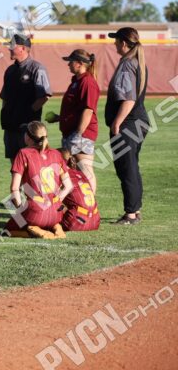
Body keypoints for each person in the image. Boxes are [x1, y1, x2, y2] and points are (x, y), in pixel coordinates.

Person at [105, 27, 149, 225]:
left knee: (126, 168)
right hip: (139, 120)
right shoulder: (138, 62)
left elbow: (128, 99)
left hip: (128, 122)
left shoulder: (127, 65)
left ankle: (130, 214)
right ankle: (135, 209)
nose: (114, 44)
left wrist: (117, 122)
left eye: (116, 41)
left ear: (124, 43)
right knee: (132, 166)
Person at [46, 49, 100, 193]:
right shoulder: (78, 81)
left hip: (82, 133)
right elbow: (76, 109)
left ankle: (90, 207)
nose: (68, 64)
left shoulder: (87, 82)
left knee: (86, 170)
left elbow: (88, 110)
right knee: (73, 171)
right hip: (73, 132)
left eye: (71, 61)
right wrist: (60, 118)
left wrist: (78, 134)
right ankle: (78, 205)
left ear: (80, 63)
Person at [7, 121, 72, 239]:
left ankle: (34, 229)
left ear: (28, 137)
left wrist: (20, 211)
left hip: (36, 211)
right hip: (56, 213)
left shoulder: (23, 153)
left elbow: (14, 188)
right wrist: (56, 202)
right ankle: (56, 227)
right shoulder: (56, 153)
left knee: (8, 229)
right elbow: (68, 186)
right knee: (45, 217)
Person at [0, 34, 52, 161]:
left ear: (22, 48)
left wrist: (28, 113)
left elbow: (44, 96)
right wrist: (6, 115)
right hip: (11, 127)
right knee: (15, 166)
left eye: (12, 46)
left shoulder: (37, 68)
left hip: (28, 130)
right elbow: (4, 97)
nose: (9, 49)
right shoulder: (10, 70)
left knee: (31, 165)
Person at [59, 150, 100, 232]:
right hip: (95, 221)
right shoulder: (81, 174)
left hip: (76, 222)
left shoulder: (62, 176)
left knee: (52, 204)